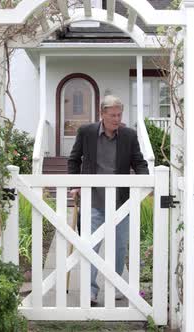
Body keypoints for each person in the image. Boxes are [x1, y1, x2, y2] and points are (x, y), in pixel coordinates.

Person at [67, 95, 149, 305]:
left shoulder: (129, 135)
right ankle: (90, 291)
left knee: (119, 248)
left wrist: (146, 184)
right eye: (112, 115)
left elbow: (139, 163)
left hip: (120, 203)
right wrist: (74, 184)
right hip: (93, 201)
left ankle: (115, 285)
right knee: (90, 247)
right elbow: (74, 160)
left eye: (119, 115)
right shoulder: (86, 132)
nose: (116, 119)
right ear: (102, 114)